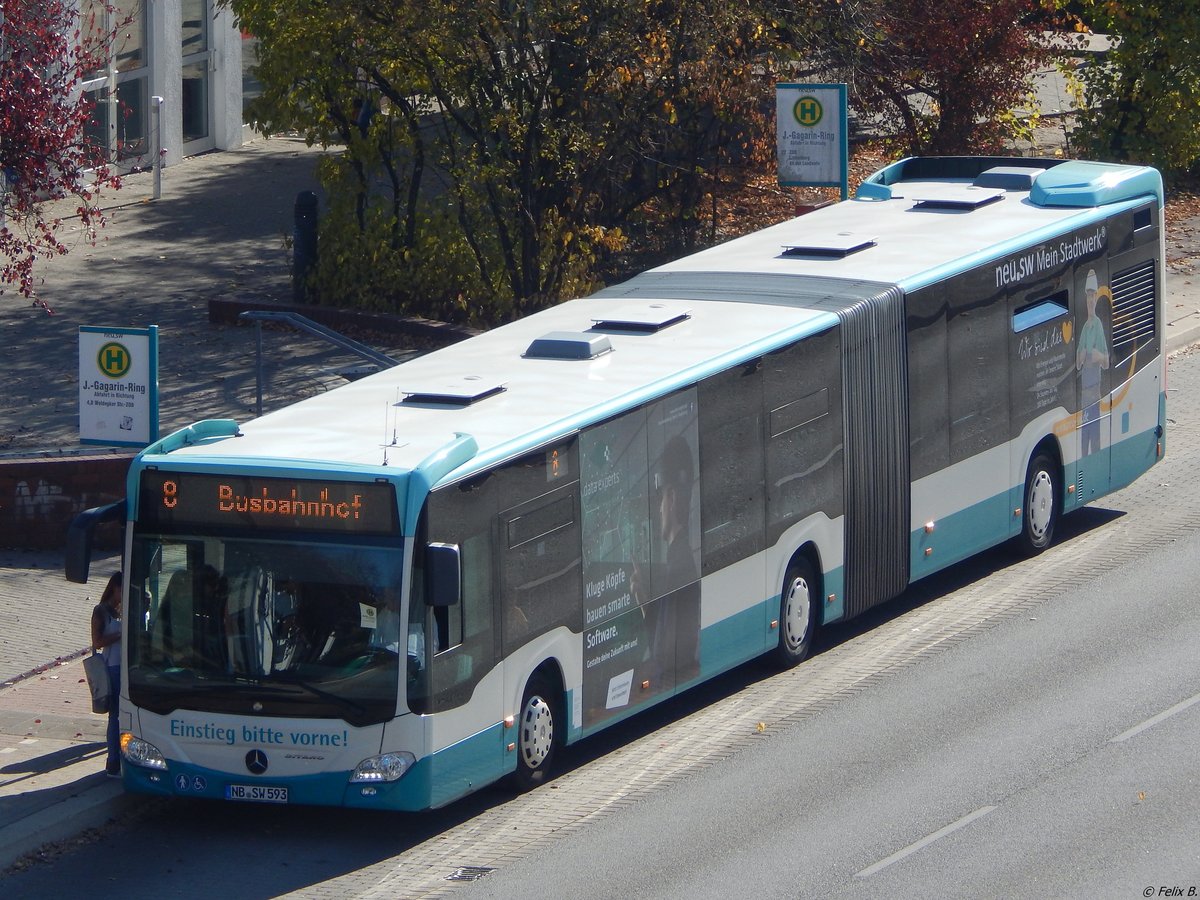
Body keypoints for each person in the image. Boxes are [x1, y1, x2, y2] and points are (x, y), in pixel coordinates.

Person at [90, 570, 124, 777]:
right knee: (116, 715)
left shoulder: (125, 609)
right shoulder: (101, 611)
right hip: (112, 666)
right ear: (114, 588)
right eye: (122, 589)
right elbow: (97, 642)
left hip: (127, 666)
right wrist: (120, 635)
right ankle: (112, 760)